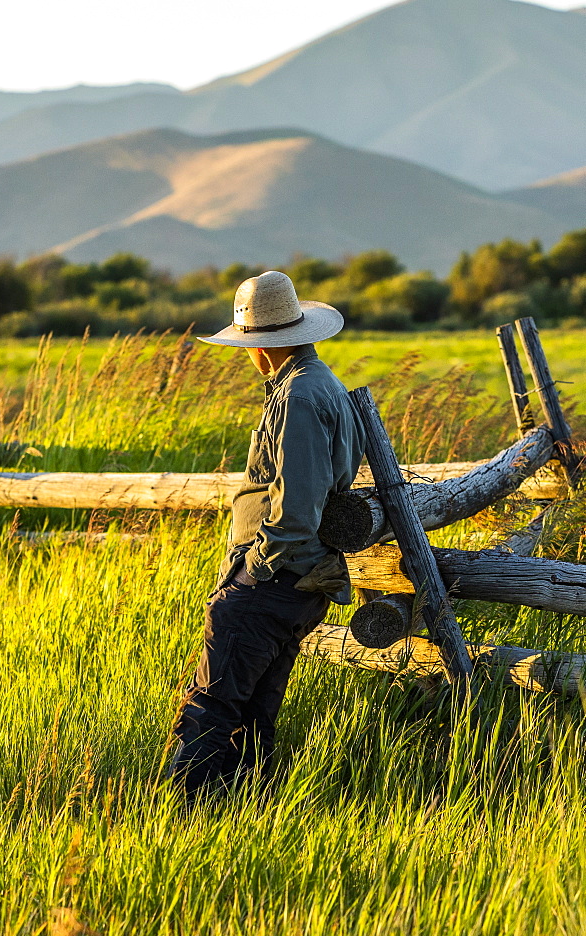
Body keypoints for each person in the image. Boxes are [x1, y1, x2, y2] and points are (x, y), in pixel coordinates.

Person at [169, 270, 366, 800]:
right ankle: (244, 813)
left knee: (211, 707)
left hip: (275, 577)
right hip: (299, 580)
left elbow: (296, 508)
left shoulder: (299, 396)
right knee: (254, 716)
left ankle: (176, 817)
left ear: (261, 347)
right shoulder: (321, 385)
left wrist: (254, 568)